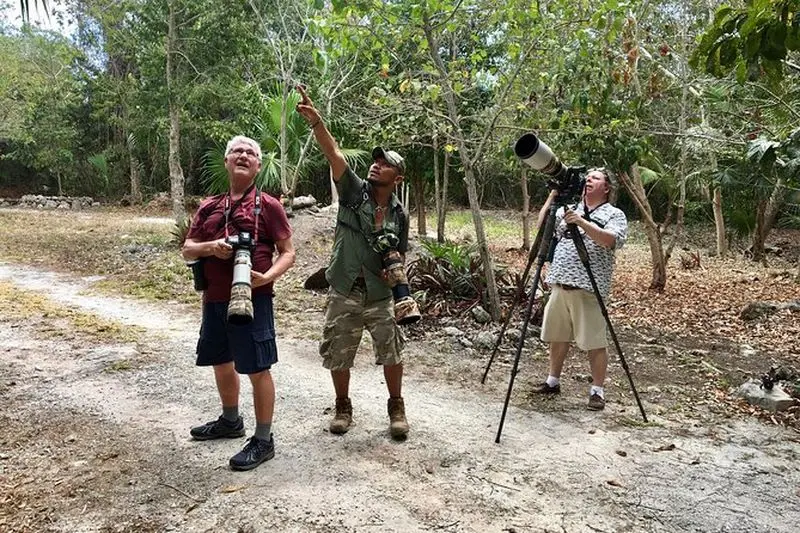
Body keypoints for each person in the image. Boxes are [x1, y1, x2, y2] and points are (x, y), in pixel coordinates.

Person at [294, 84, 410, 439]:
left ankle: (396, 407)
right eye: (376, 161)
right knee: (339, 350)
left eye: (385, 163)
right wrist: (317, 124)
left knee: (391, 350)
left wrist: (399, 285)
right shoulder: (353, 191)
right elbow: (334, 155)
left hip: (378, 291)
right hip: (344, 286)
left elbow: (400, 254)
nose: (377, 166)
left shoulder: (399, 213)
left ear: (397, 177)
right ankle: (342, 406)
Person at [181, 135, 295, 470]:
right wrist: (212, 246)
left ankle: (263, 439)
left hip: (253, 298)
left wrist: (268, 276)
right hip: (214, 297)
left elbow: (288, 252)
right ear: (227, 161)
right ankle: (231, 421)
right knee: (221, 360)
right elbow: (188, 249)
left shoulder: (269, 205)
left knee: (258, 367)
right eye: (237, 151)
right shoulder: (209, 206)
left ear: (258, 165)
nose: (243, 155)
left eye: (251, 153)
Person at [530, 168, 627, 411]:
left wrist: (581, 222)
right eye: (588, 178)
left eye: (595, 178)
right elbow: (542, 226)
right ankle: (553, 380)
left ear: (607, 188)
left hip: (588, 287)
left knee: (594, 340)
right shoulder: (568, 209)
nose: (588, 181)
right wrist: (554, 197)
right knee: (557, 335)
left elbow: (610, 241)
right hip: (559, 283)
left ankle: (597, 390)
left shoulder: (614, 214)